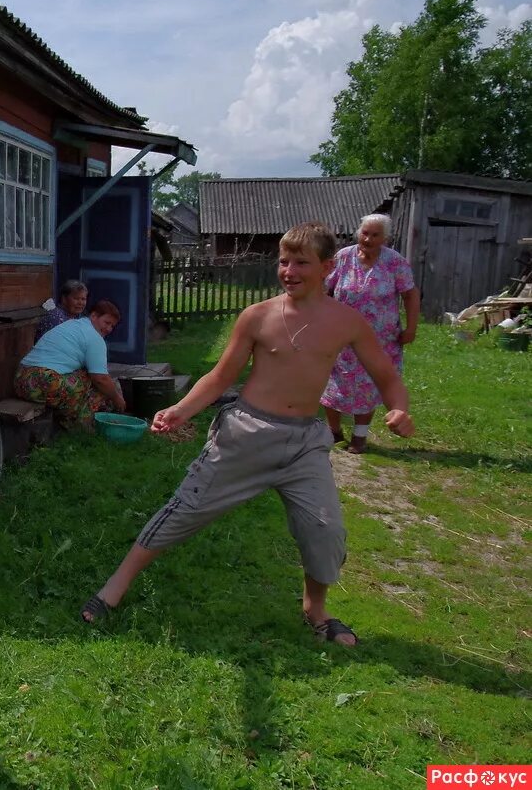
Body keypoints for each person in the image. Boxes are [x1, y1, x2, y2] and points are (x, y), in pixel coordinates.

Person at [79, 222, 415, 647]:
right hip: (246, 434)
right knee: (182, 511)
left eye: (301, 263)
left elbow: (386, 375)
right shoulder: (258, 317)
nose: (289, 270)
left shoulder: (347, 322)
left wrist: (399, 407)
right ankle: (115, 587)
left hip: (305, 444)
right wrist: (181, 410)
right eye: (283, 261)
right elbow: (220, 377)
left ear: (329, 267)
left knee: (325, 530)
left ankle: (316, 608)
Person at [321, 214, 420, 454]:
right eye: (365, 233)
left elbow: (410, 294)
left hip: (380, 339)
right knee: (333, 384)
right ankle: (334, 432)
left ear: (385, 238)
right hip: (341, 336)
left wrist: (411, 328)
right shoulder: (343, 258)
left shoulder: (395, 262)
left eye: (375, 235)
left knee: (369, 385)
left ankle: (359, 437)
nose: (368, 238)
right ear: (359, 232)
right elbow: (324, 289)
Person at [15, 299, 127, 428]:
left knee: (88, 379)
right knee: (99, 385)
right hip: (45, 381)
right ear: (94, 316)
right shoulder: (94, 337)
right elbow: (100, 379)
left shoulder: (72, 325)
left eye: (112, 326)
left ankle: (68, 420)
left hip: (21, 381)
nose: (108, 329)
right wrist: (117, 398)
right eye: (106, 322)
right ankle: (82, 427)